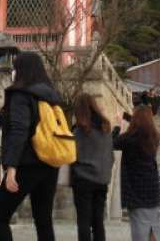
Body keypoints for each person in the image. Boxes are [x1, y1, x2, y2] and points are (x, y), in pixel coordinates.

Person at [0, 51, 62, 241]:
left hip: (26, 163)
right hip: (50, 162)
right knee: (43, 220)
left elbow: (19, 130)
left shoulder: (21, 94)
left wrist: (11, 167)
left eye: (15, 68)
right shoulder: (52, 95)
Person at [113, 105, 160, 241]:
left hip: (136, 190)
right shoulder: (155, 137)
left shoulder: (129, 138)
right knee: (154, 226)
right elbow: (143, 124)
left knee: (139, 228)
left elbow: (112, 143)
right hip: (152, 187)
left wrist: (118, 124)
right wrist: (128, 117)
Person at [71, 92, 114, 241]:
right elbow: (111, 156)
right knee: (98, 222)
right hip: (102, 180)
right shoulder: (106, 128)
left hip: (83, 179)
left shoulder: (79, 131)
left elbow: (71, 155)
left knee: (83, 221)